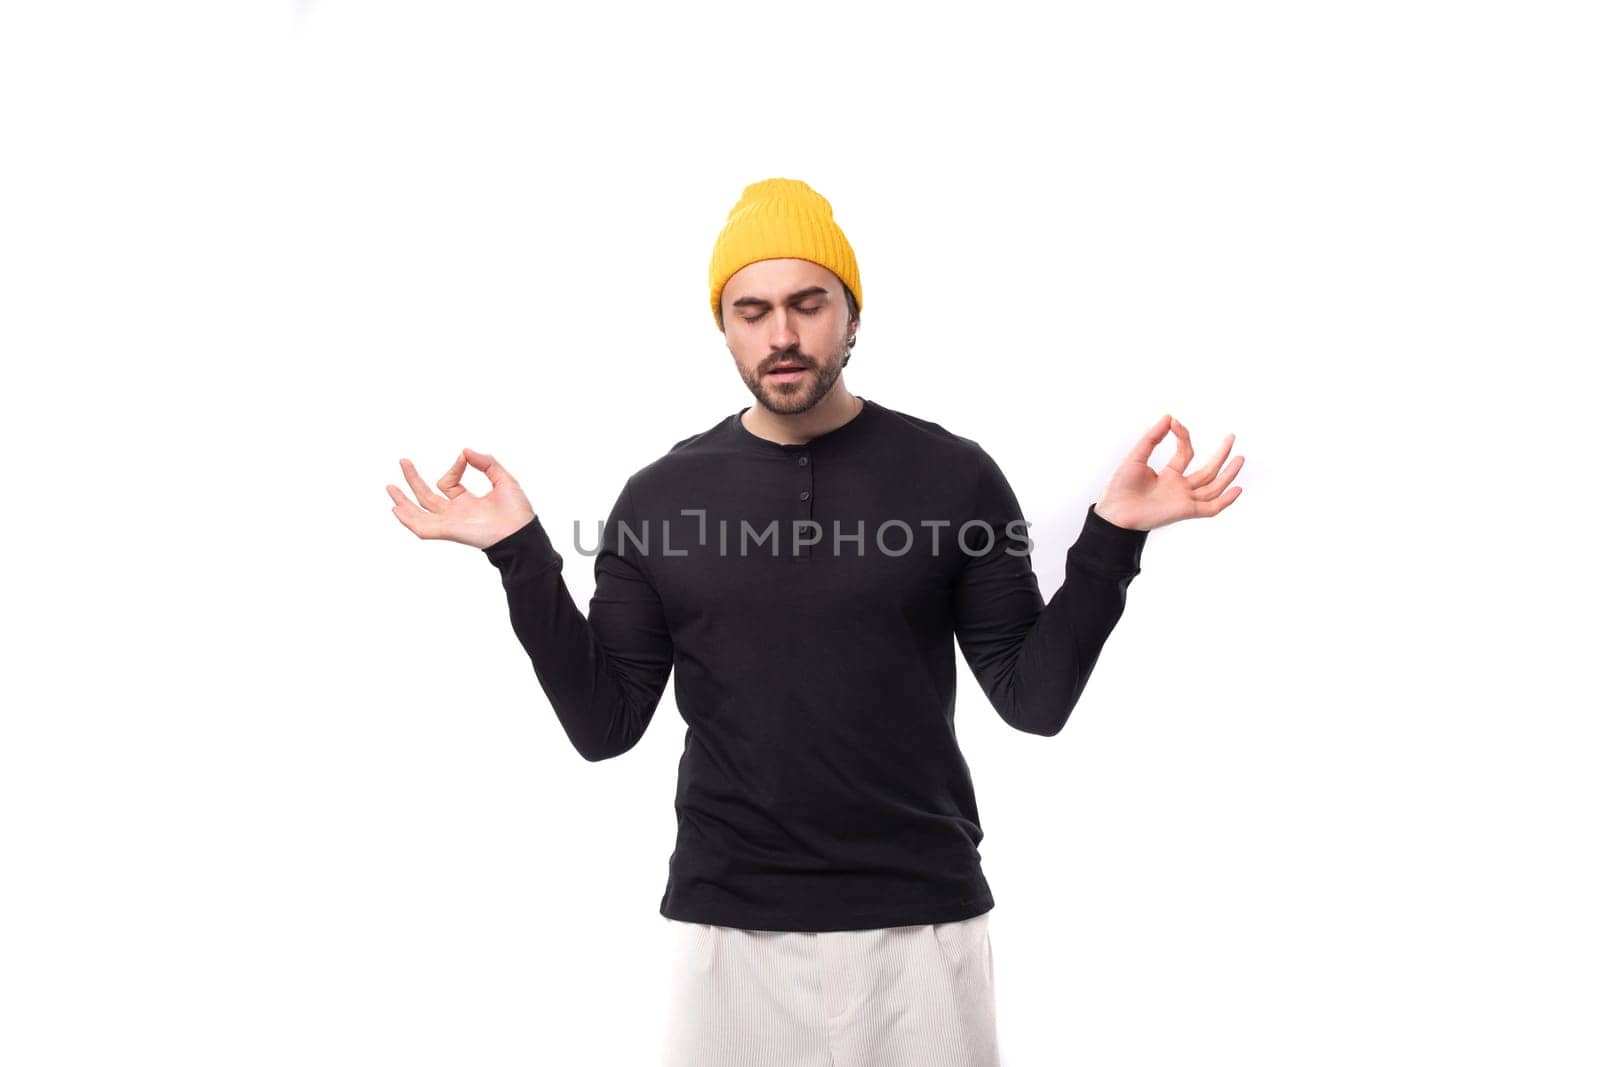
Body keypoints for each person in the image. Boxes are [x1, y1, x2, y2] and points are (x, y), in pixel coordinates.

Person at [386, 177, 1243, 1066]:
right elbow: (605, 725)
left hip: (924, 929)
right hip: (726, 935)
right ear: (724, 326)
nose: (782, 335)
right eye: (751, 310)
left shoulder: (953, 479)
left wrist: (1112, 539)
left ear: (852, 314)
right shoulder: (660, 499)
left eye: (808, 303)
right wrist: (520, 550)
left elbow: (1034, 698)